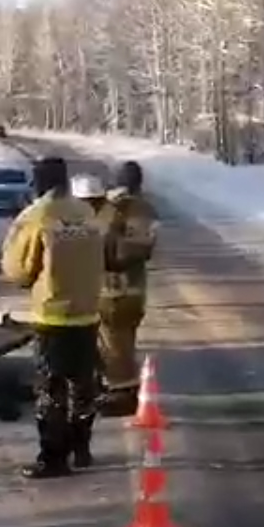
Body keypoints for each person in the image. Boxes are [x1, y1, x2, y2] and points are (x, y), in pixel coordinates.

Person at [1, 156, 106, 478]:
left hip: (53, 316)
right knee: (82, 386)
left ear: (39, 183)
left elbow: (18, 270)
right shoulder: (87, 213)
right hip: (88, 313)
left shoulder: (38, 216)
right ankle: (82, 447)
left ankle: (53, 457)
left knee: (51, 391)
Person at [98, 161, 160, 415]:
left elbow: (110, 250)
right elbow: (145, 248)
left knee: (112, 343)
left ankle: (120, 395)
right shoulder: (148, 210)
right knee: (125, 342)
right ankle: (126, 389)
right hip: (136, 290)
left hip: (110, 290)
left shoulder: (108, 208)